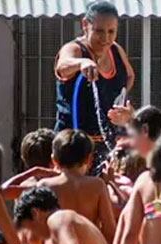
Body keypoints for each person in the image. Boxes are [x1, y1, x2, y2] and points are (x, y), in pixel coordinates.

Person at [54, 0, 136, 174]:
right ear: (85, 25)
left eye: (111, 32)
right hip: (73, 149)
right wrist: (81, 62)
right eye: (99, 31)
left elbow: (129, 76)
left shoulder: (116, 50)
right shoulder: (75, 49)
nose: (105, 38)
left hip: (107, 146)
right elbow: (62, 66)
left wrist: (123, 105)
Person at [31, 129, 117, 243]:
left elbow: (37, 229)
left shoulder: (45, 185)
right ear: (89, 159)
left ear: (54, 160)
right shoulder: (97, 186)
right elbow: (110, 230)